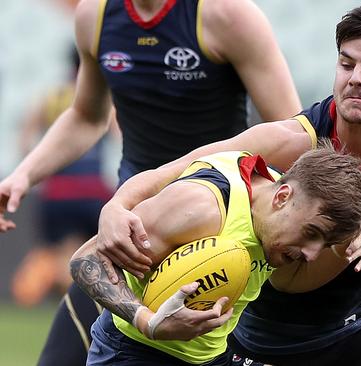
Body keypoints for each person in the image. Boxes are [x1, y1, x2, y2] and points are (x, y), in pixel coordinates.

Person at [96, 3, 361, 366]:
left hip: (356, 329)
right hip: (251, 333)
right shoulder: (288, 143)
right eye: (346, 64)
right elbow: (178, 169)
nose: (356, 78)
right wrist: (116, 206)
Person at [0, 0, 301, 364]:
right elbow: (86, 116)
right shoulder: (94, 16)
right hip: (131, 235)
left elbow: (291, 133)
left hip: (216, 240)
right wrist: (23, 175)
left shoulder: (228, 15)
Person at [71, 144, 361, 365]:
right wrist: (147, 321)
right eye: (312, 233)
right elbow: (87, 260)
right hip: (134, 353)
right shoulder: (203, 209)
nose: (312, 254)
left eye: (324, 243)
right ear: (282, 197)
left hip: (210, 358)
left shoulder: (283, 199)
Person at [11, 46, 115, 307]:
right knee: (96, 252)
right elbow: (119, 135)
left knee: (55, 250)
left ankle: (35, 290)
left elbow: (25, 142)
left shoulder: (52, 96)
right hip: (93, 190)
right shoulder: (103, 97)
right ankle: (77, 296)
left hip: (57, 191)